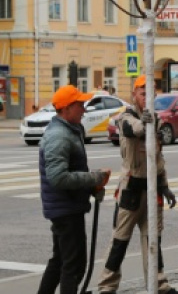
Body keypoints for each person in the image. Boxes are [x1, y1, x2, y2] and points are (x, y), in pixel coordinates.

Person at [97, 76, 178, 294]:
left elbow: (158, 157)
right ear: (134, 95)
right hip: (131, 190)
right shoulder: (125, 117)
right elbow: (131, 129)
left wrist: (164, 185)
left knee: (153, 240)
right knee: (119, 242)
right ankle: (107, 287)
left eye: (152, 94)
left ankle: (159, 286)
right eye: (144, 93)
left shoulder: (156, 119)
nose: (148, 98)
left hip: (152, 188)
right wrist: (145, 123)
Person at [38, 85, 111, 294]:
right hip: (65, 210)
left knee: (60, 261)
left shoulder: (69, 130)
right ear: (66, 108)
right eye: (80, 104)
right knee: (74, 265)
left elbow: (71, 170)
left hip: (66, 207)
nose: (84, 109)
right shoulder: (59, 136)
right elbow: (58, 177)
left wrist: (91, 186)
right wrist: (93, 178)